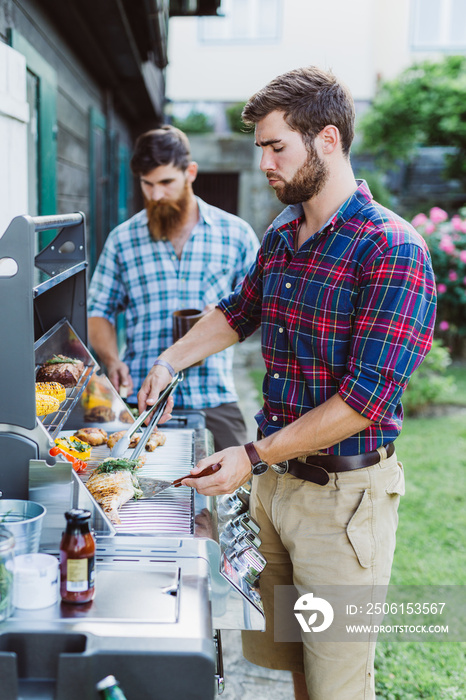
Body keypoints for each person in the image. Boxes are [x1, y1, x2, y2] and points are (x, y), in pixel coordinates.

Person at [138, 67, 437, 700]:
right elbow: (238, 311)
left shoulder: (392, 248)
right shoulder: (283, 233)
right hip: (276, 492)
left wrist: (251, 454)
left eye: (277, 147)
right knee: (299, 666)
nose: (266, 163)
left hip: (343, 502)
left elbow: (365, 401)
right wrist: (170, 361)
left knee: (339, 684)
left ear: (327, 140)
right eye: (261, 148)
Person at [88, 125, 259, 450]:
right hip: (141, 396)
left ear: (190, 173)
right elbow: (98, 311)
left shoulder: (236, 234)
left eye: (166, 182)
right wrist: (111, 360)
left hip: (212, 393)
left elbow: (258, 310)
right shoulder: (122, 240)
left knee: (238, 492)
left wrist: (223, 315)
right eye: (147, 184)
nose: (155, 195)